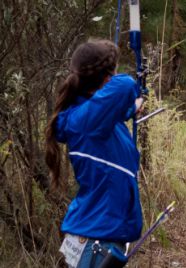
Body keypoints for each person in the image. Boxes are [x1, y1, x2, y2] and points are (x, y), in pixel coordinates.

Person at [45, 39, 144, 267]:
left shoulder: (93, 119)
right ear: (107, 78)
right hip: (96, 238)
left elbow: (113, 112)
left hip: (99, 233)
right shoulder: (87, 120)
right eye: (113, 71)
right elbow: (125, 85)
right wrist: (129, 93)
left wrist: (132, 107)